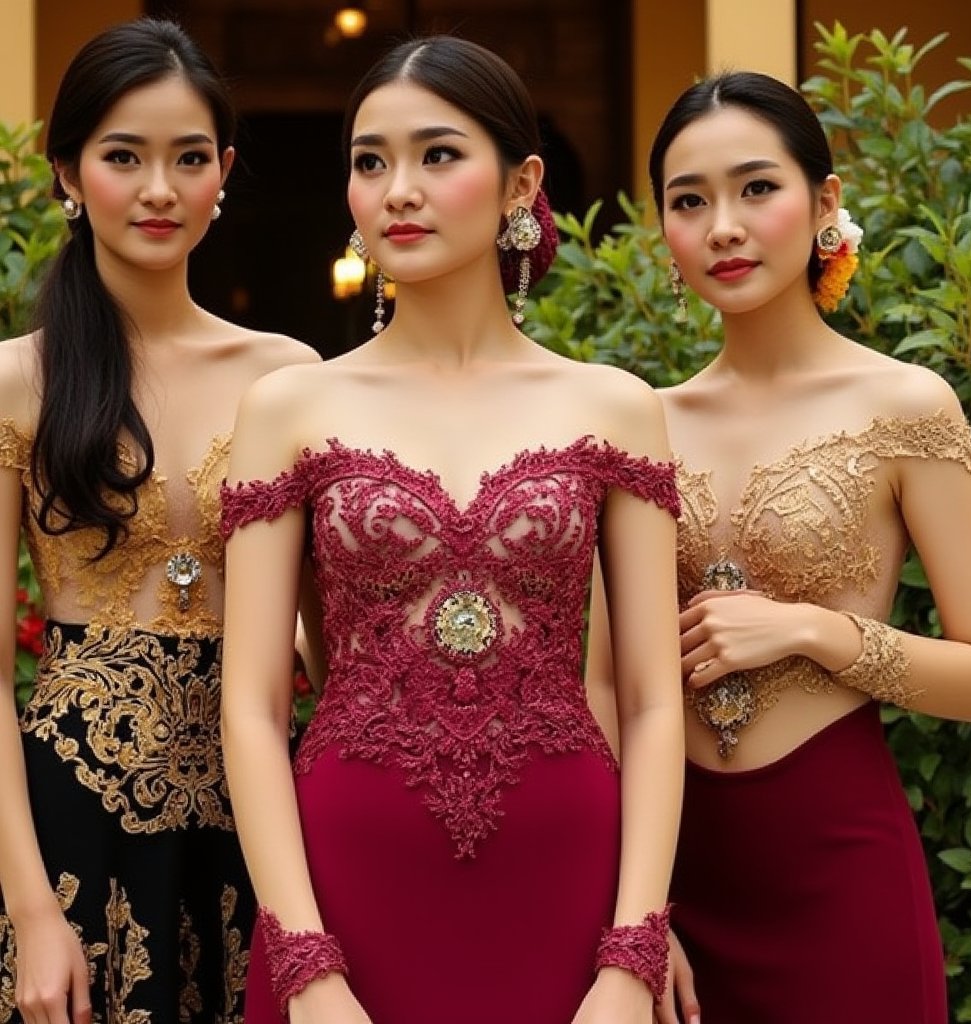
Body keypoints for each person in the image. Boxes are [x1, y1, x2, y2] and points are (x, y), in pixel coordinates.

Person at [219, 35, 684, 1024]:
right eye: (369, 161)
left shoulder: (616, 407)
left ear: (521, 183)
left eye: (438, 155)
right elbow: (253, 710)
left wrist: (633, 950)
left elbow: (649, 702)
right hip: (346, 882)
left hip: (565, 883)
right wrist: (303, 961)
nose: (398, 189)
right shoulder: (287, 408)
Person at [587, 70, 971, 1023]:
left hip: (840, 865)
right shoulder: (637, 422)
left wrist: (815, 633)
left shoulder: (907, 407)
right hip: (673, 871)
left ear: (825, 202)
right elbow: (606, 689)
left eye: (757, 188)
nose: (724, 227)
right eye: (688, 201)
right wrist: (633, 919)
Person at [0, 18, 318, 1024]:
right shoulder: (16, 383)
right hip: (71, 822)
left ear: (222, 172)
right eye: (122, 156)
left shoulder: (290, 376)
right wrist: (30, 911)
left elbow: (330, 626)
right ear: (67, 173)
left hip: (260, 808)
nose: (157, 190)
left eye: (188, 159)